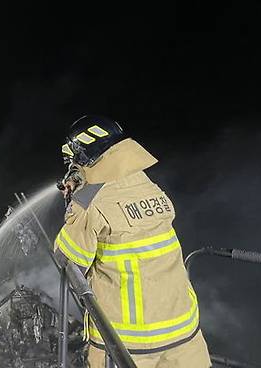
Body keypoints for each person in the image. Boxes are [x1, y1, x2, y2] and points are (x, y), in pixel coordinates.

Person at [55, 116, 211, 368]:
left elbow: (68, 259)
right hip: (184, 332)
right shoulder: (147, 185)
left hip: (128, 346)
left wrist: (72, 205)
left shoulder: (89, 202)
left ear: (84, 155)